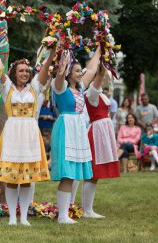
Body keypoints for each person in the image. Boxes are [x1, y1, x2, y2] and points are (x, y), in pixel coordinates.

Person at [0, 46, 55, 226]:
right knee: (12, 178)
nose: (25, 73)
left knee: (27, 179)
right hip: (12, 133)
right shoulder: (7, 88)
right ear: (14, 72)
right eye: (21, 71)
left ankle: (24, 217)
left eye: (27, 71)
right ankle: (13, 216)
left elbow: (44, 70)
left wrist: (51, 54)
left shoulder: (34, 88)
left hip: (29, 134)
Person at [50, 46, 101, 224]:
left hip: (78, 130)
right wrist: (62, 68)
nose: (80, 73)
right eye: (77, 71)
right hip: (66, 128)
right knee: (67, 173)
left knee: (73, 173)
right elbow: (58, 79)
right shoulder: (60, 87)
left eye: (80, 71)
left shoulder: (79, 88)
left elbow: (93, 68)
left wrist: (102, 46)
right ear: (69, 72)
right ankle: (63, 216)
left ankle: (65, 213)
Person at [71, 64, 120, 219]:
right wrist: (105, 59)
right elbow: (98, 77)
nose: (105, 78)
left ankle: (88, 209)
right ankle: (87, 210)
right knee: (93, 173)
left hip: (103, 131)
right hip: (96, 132)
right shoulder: (91, 93)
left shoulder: (99, 94)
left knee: (95, 174)